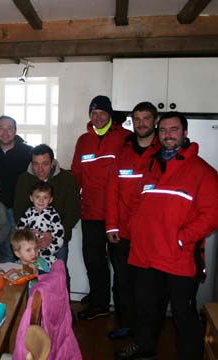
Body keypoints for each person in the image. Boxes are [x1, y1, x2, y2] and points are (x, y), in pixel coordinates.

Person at [116, 112, 218, 360]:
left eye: (174, 129)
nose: (168, 134)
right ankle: (144, 346)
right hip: (145, 254)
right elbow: (139, 201)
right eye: (163, 130)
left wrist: (181, 238)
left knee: (183, 313)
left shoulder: (203, 172)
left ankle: (190, 355)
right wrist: (134, 227)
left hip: (178, 256)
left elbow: (212, 214)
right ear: (157, 134)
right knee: (146, 308)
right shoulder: (151, 166)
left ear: (184, 133)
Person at [71, 95, 131, 321]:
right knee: (94, 260)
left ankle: (123, 309)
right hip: (91, 212)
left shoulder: (125, 138)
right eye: (93, 113)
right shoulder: (84, 140)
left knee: (121, 264)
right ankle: (99, 301)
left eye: (102, 113)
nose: (97, 117)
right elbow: (76, 172)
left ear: (110, 114)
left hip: (118, 214)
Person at [105, 102, 160, 340]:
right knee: (123, 283)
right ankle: (126, 324)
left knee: (147, 286)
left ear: (154, 120)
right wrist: (111, 226)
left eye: (146, 118)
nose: (141, 123)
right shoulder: (123, 154)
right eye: (137, 119)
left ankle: (145, 332)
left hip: (151, 235)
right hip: (122, 234)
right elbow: (112, 191)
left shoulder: (163, 153)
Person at [14, 144, 80, 283]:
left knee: (59, 276)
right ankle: (33, 304)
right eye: (36, 164)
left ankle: (61, 304)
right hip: (29, 241)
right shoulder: (24, 179)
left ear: (52, 163)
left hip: (57, 240)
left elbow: (73, 211)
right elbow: (18, 211)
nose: (40, 169)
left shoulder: (67, 179)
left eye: (45, 164)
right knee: (30, 275)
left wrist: (53, 235)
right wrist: (28, 233)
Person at [0, 115, 32, 262]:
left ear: (15, 131)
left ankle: (10, 284)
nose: (5, 132)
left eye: (9, 128)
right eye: (1, 128)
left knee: (11, 253)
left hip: (16, 211)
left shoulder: (27, 152)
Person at [17, 181, 64, 268]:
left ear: (50, 200)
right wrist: (27, 231)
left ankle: (45, 258)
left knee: (60, 241)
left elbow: (59, 232)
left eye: (45, 197)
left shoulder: (53, 214)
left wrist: (51, 235)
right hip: (31, 247)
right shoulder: (29, 212)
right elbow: (20, 227)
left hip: (47, 249)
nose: (41, 200)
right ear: (31, 198)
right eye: (37, 197)